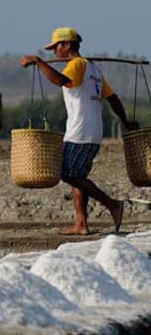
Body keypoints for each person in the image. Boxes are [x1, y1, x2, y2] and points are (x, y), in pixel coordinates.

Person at [20, 27, 139, 235]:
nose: (55, 52)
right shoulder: (92, 69)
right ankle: (81, 224)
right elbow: (112, 98)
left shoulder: (76, 65)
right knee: (78, 176)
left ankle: (113, 205)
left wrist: (39, 62)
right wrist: (125, 121)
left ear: (66, 45)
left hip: (81, 131)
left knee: (68, 174)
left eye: (56, 47)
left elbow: (60, 81)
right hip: (91, 130)